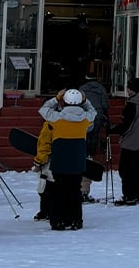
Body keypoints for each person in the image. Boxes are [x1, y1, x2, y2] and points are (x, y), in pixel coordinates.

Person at [34, 88, 90, 230]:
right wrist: (84, 100)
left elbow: (43, 109)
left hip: (59, 162)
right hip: (77, 163)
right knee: (75, 192)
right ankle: (76, 220)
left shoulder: (55, 119)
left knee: (58, 192)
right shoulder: (85, 120)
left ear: (63, 102)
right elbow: (92, 111)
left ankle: (58, 220)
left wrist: (56, 98)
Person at [109, 77, 139, 206]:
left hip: (130, 141)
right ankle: (137, 195)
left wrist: (113, 130)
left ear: (132, 89)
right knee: (136, 169)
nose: (126, 90)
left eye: (128, 87)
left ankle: (129, 195)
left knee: (125, 170)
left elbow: (126, 124)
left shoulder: (132, 104)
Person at [79, 75, 109, 203]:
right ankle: (91, 152)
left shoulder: (82, 88)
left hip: (86, 115)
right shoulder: (101, 88)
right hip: (98, 114)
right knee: (94, 135)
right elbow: (104, 103)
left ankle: (86, 152)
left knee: (85, 135)